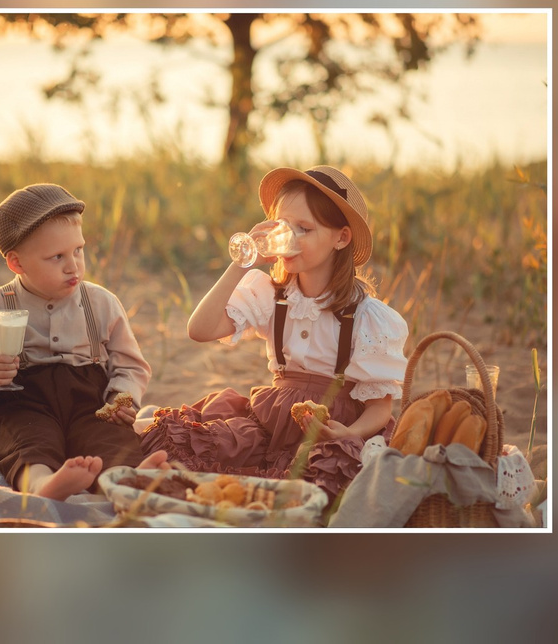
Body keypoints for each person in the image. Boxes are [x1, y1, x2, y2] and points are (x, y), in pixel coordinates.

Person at [142, 165, 409, 496]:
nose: (289, 239)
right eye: (284, 225)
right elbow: (200, 329)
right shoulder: (272, 294)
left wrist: (348, 434)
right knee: (194, 445)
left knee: (323, 477)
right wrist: (243, 261)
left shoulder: (368, 318)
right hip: (271, 421)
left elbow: (380, 408)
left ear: (341, 237)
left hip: (332, 429)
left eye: (304, 229)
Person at [0, 183, 166, 499]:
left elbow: (130, 363)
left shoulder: (100, 303)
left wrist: (122, 397)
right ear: (17, 263)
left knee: (107, 438)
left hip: (88, 402)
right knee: (25, 440)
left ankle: (125, 479)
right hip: (22, 402)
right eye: (57, 257)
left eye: (78, 250)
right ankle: (42, 484)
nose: (73, 265)